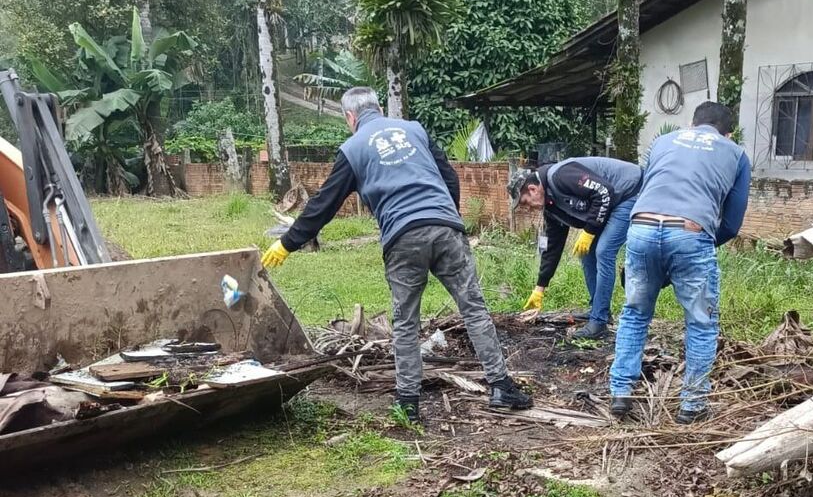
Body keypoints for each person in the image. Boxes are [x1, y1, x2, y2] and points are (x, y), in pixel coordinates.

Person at [262, 87, 532, 421]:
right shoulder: (415, 130)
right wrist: (447, 215)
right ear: (378, 107)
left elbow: (324, 203)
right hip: (446, 228)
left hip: (403, 237)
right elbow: (449, 175)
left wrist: (288, 242)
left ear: (350, 117)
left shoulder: (354, 148)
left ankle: (408, 402)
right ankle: (501, 386)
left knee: (406, 322)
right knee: (473, 308)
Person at [608, 102, 751, 424]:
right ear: (728, 132)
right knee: (701, 323)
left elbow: (645, 187)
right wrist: (695, 245)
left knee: (634, 313)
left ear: (692, 123)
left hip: (641, 228)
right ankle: (693, 405)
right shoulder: (735, 152)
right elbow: (732, 222)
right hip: (690, 230)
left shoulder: (662, 141)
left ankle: (620, 393)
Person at [507, 157, 642, 340]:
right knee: (585, 253)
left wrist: (589, 231)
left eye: (524, 202)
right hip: (612, 201)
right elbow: (553, 247)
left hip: (629, 192)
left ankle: (599, 322)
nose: (527, 208)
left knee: (604, 252)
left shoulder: (561, 177)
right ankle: (598, 309)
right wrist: (540, 286)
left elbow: (603, 192)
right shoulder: (551, 206)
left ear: (532, 189)